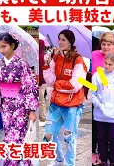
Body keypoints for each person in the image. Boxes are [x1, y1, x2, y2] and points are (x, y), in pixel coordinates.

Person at [0, 32, 38, 165]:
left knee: (17, 136)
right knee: (9, 135)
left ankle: (13, 162)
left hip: (20, 106)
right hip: (6, 105)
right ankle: (20, 161)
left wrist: (31, 111)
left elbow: (29, 86)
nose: (1, 50)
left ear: (12, 45)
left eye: (4, 46)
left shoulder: (22, 64)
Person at [43, 29, 87, 165]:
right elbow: (49, 80)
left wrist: (57, 84)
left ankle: (70, 163)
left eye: (63, 39)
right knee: (48, 135)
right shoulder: (56, 57)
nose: (60, 42)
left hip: (72, 105)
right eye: (59, 39)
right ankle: (58, 158)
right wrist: (46, 64)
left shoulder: (78, 60)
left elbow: (75, 85)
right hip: (55, 103)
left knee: (69, 137)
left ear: (70, 42)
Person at [91, 32, 114, 164]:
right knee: (100, 136)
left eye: (109, 44)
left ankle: (113, 160)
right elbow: (93, 91)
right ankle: (100, 158)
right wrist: (99, 105)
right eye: (103, 44)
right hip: (99, 105)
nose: (106, 47)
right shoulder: (94, 55)